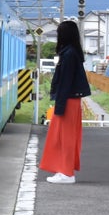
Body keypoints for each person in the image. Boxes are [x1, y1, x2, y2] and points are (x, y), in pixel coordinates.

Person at [39, 19, 92, 183]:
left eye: (59, 33)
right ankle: (64, 170)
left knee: (65, 137)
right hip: (70, 99)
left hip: (67, 100)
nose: (57, 36)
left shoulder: (68, 54)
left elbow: (65, 82)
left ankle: (67, 173)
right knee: (64, 136)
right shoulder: (72, 52)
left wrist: (59, 105)